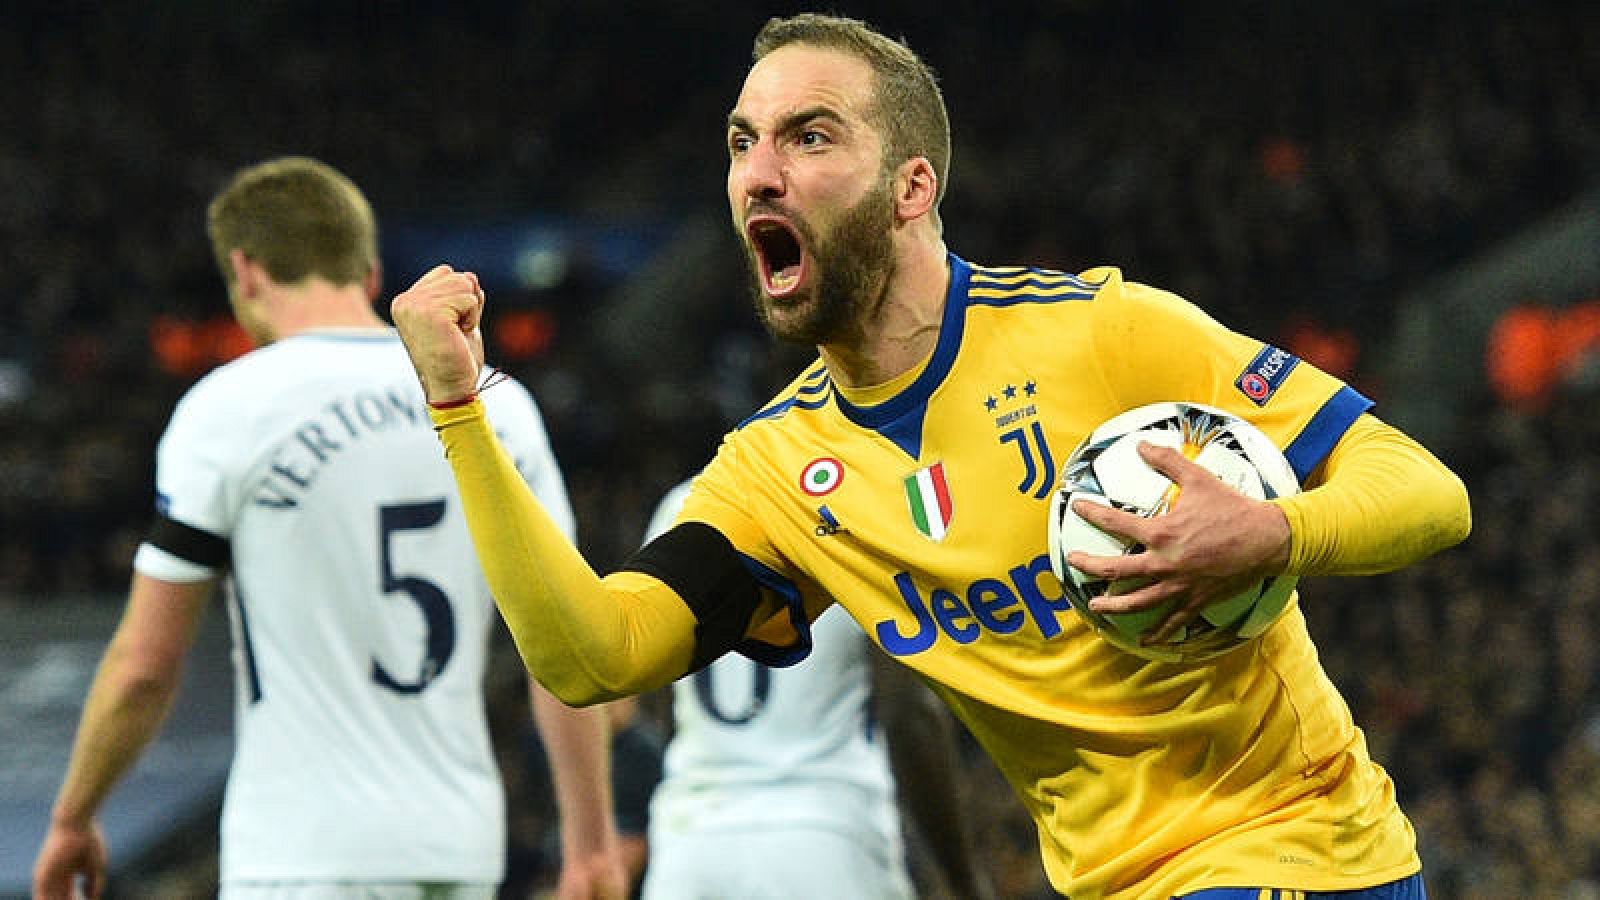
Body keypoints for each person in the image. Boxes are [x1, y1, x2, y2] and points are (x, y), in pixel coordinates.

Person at [389, 13, 1473, 900]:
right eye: (740, 142)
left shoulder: (1099, 331)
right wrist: (459, 410)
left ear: (910, 188)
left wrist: (1274, 529)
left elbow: (1426, 490)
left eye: (808, 137)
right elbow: (594, 657)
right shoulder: (778, 471)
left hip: (1298, 855)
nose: (758, 174)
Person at [32, 157, 627, 900]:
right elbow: (565, 646)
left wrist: (73, 817)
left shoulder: (229, 407)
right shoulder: (497, 403)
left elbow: (146, 665)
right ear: (371, 273)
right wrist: (591, 844)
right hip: (458, 844)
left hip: (301, 850)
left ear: (245, 272)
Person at [633, 478, 993, 900]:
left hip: (692, 843)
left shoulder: (676, 509)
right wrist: (963, 878)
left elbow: (656, 686)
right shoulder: (856, 504)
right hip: (827, 834)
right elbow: (908, 714)